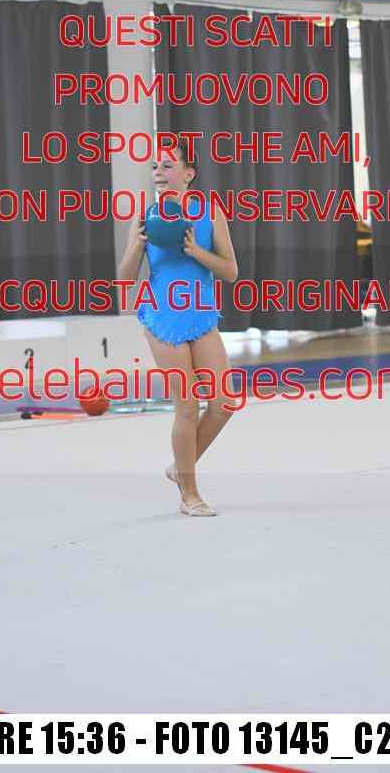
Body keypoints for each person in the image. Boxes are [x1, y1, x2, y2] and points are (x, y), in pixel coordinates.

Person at [118, 136, 239, 517]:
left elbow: (231, 272)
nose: (159, 172)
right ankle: (190, 494)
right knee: (186, 406)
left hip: (200, 315)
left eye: (168, 165)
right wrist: (138, 245)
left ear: (189, 174)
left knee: (223, 403)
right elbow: (124, 280)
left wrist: (196, 251)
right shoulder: (145, 217)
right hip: (162, 317)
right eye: (155, 166)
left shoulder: (210, 213)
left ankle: (179, 466)